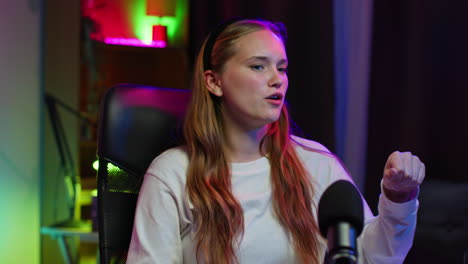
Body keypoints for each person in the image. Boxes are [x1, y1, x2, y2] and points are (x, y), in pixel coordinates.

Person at [126, 18, 425, 264]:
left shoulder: (315, 162)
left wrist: (398, 198)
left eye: (281, 68)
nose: (277, 79)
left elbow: (375, 256)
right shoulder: (172, 174)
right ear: (214, 82)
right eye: (258, 66)